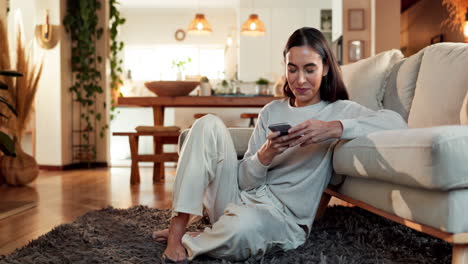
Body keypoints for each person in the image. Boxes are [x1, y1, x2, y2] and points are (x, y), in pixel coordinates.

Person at [153, 27, 408, 262]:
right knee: (206, 123)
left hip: (281, 218)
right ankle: (178, 231)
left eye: (309, 69)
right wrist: (265, 154)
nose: (300, 79)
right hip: (239, 199)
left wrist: (332, 128)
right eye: (292, 68)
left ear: (326, 68)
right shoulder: (271, 111)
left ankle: (202, 238)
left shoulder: (340, 110)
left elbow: (395, 122)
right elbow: (244, 181)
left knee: (240, 229)